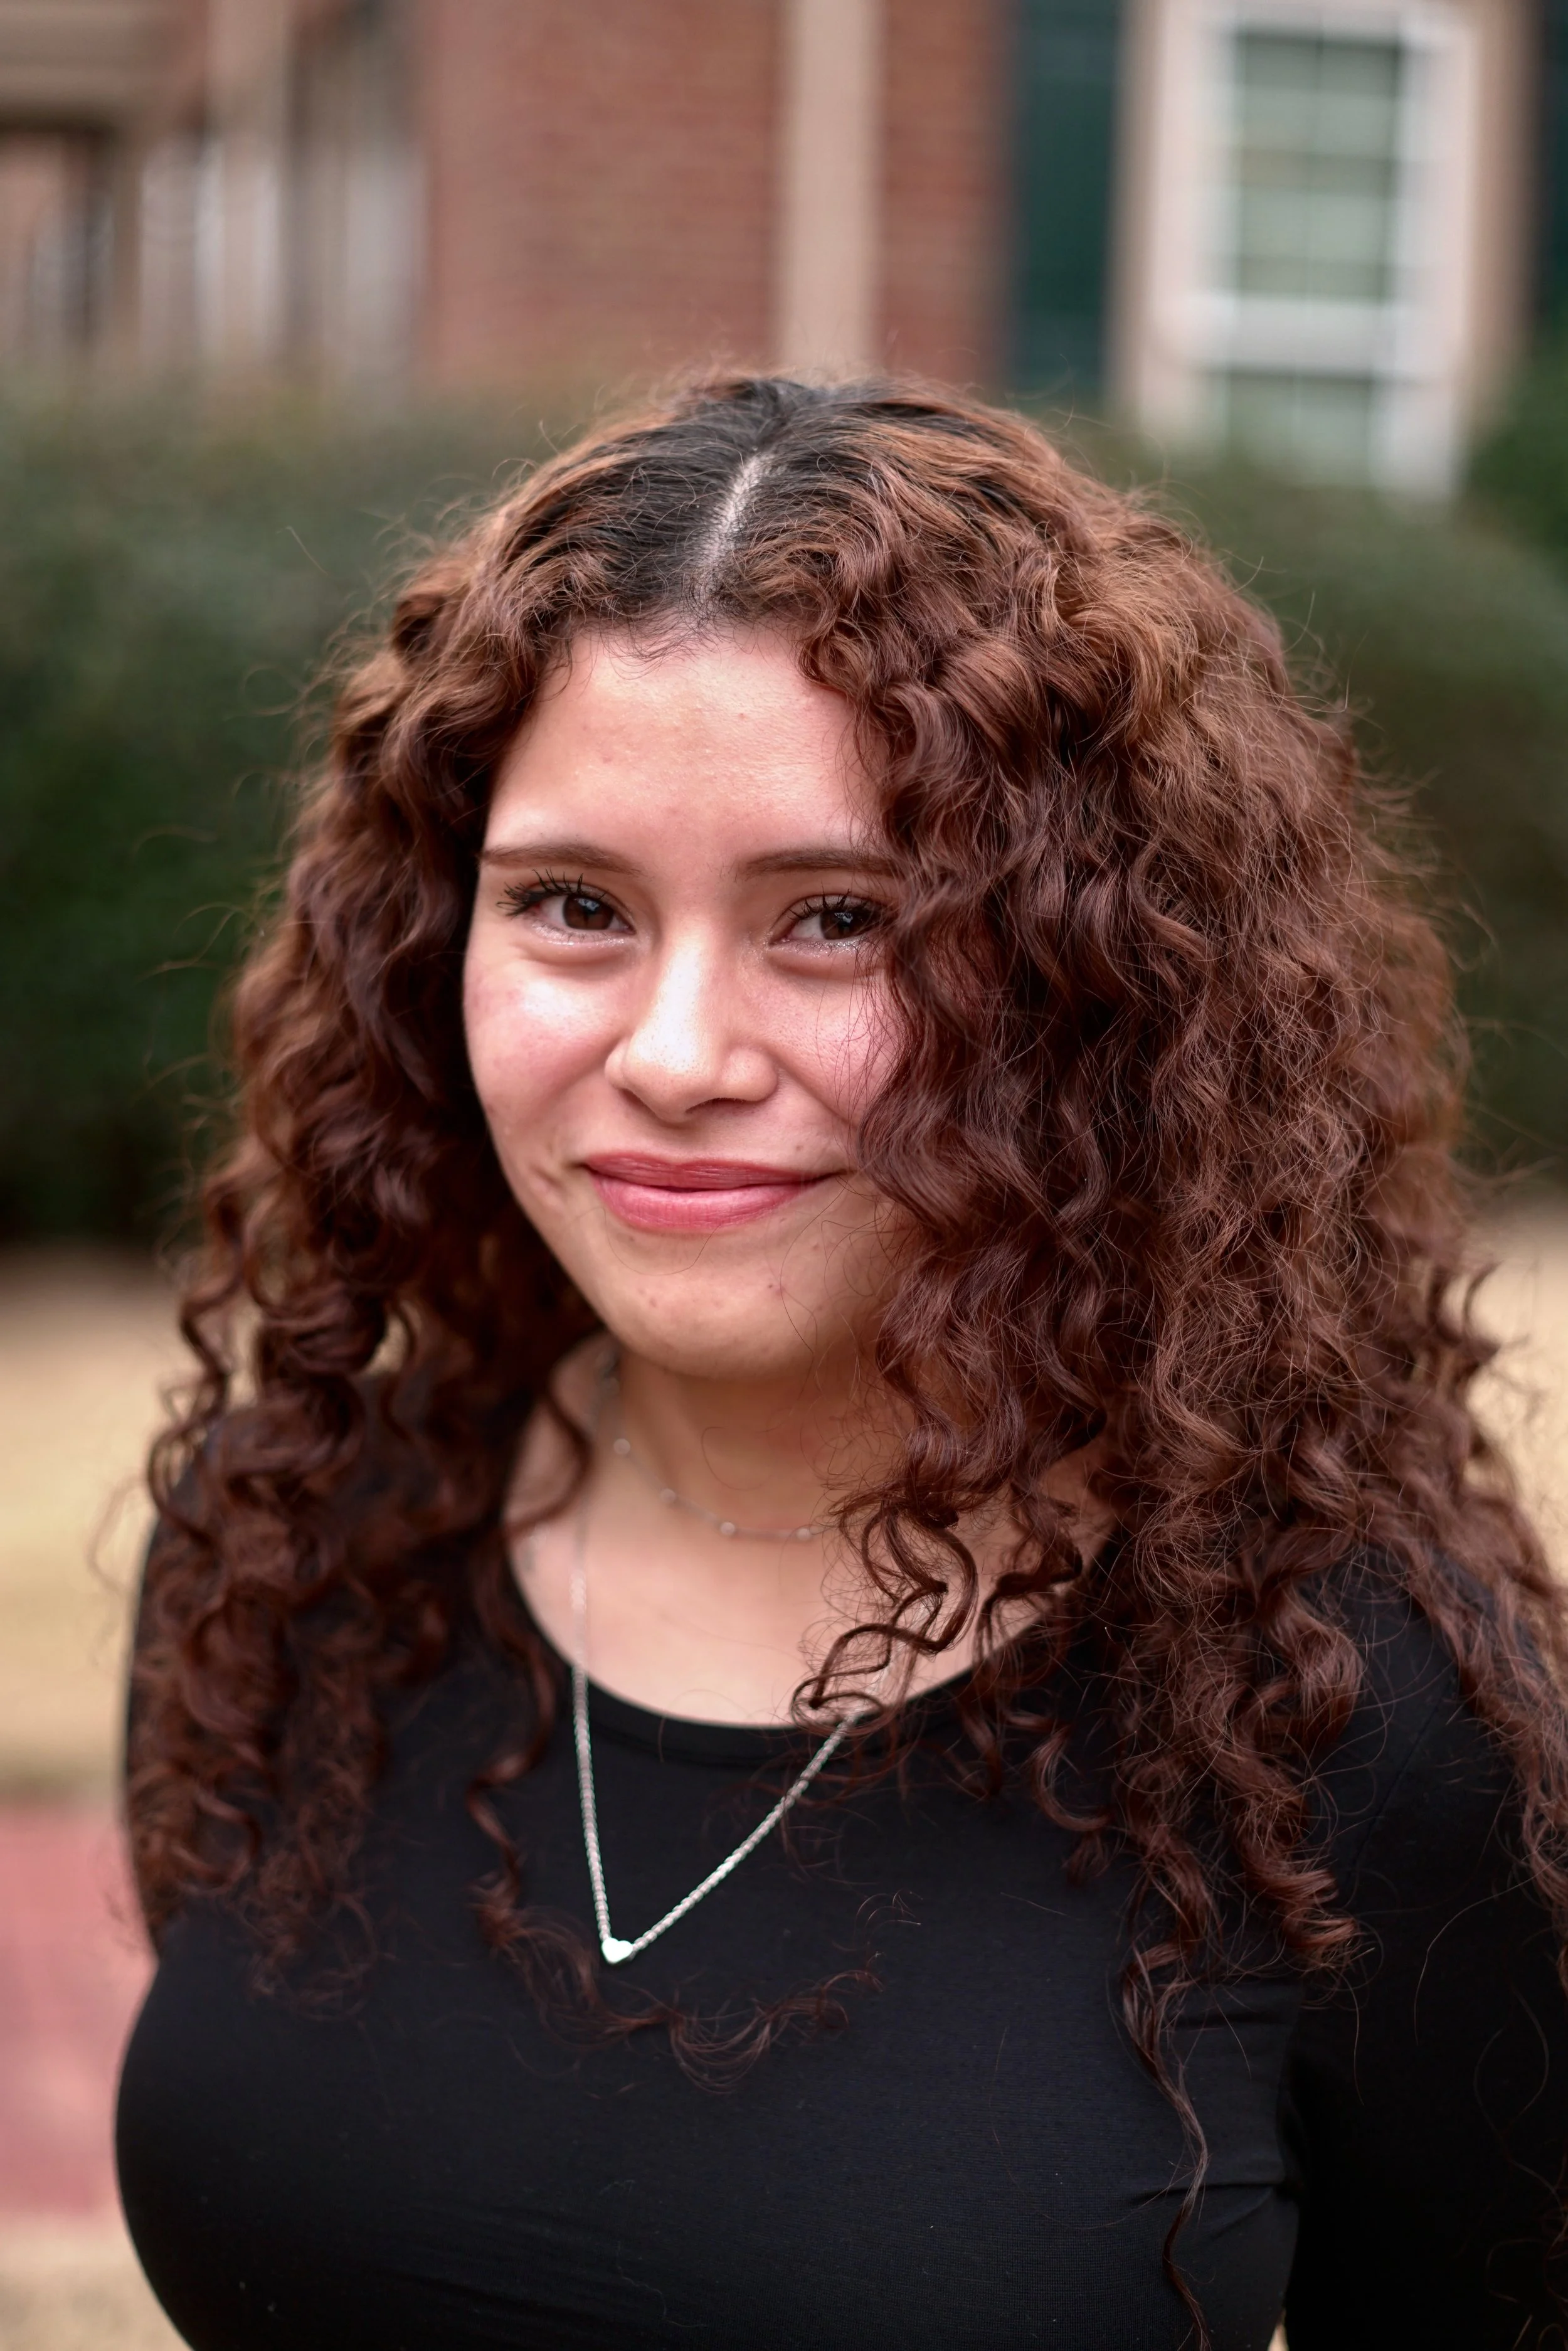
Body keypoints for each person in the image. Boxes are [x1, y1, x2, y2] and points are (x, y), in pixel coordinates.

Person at [117, 375, 1568, 2351]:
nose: (678, 1053)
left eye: (836, 918)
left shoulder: (1343, 1707)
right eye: (571, 907)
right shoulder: (292, 1548)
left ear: (1089, 986)